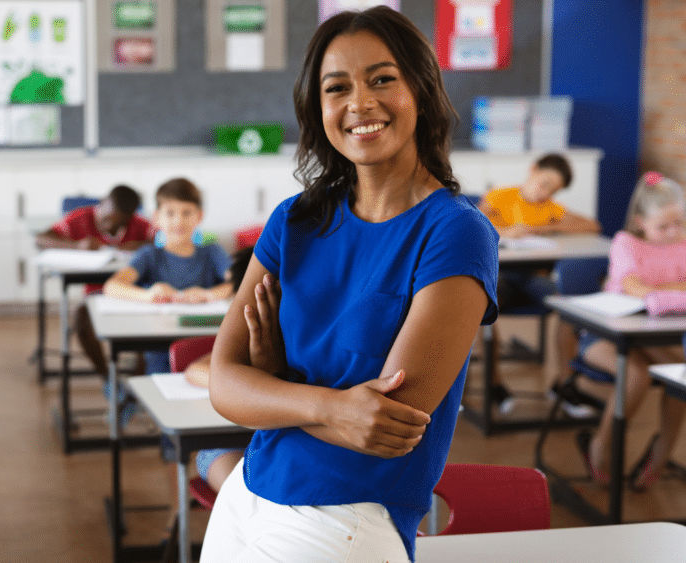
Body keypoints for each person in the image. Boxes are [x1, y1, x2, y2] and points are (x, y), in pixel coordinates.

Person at [201, 8, 498, 563]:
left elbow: (388, 426)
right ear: (319, 110)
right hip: (247, 492)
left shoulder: (456, 231)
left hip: (345, 516)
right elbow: (224, 385)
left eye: (382, 79)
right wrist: (332, 406)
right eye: (337, 88)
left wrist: (275, 384)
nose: (360, 103)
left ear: (421, 90)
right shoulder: (294, 221)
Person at [576, 171, 686, 490]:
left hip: (654, 335)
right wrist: (671, 289)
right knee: (635, 375)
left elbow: (649, 293)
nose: (673, 232)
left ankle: (662, 453)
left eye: (678, 223)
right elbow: (633, 287)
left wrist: (656, 291)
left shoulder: (681, 245)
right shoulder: (626, 243)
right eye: (663, 226)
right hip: (604, 336)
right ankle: (601, 446)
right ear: (640, 222)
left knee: (680, 373)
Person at [478, 154, 601, 412]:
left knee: (571, 306)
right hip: (499, 276)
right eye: (544, 183)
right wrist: (504, 231)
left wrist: (547, 228)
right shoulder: (501, 196)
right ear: (532, 170)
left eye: (552, 190)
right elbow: (476, 221)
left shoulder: (549, 209)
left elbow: (592, 225)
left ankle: (563, 383)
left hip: (532, 279)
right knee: (479, 303)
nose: (544, 193)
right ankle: (495, 383)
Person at [103, 177, 233, 375]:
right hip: (159, 351)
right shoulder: (149, 255)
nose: (178, 221)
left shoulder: (212, 252)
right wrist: (149, 295)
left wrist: (210, 294)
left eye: (187, 213)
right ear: (156, 218)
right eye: (170, 213)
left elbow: (239, 280)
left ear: (199, 216)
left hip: (207, 349)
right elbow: (112, 286)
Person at [36, 185, 155, 376]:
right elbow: (40, 239)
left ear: (129, 219)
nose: (107, 226)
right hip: (96, 295)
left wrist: (142, 245)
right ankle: (106, 376)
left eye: (116, 223)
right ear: (101, 203)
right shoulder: (82, 218)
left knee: (152, 325)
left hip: (132, 294)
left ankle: (133, 389)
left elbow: (168, 240)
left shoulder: (139, 225)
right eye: (105, 218)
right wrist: (77, 245)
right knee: (81, 317)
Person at [183, 246, 253, 493]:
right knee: (242, 500)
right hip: (230, 444)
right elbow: (195, 370)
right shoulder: (244, 333)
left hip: (290, 444)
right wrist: (248, 386)